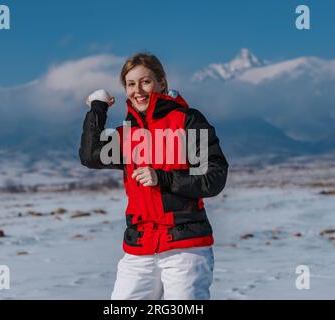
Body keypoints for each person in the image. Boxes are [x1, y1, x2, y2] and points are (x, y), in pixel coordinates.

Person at [79, 52, 228, 300]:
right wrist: (98, 107)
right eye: (130, 84)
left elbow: (214, 177)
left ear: (161, 82)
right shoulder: (127, 134)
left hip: (185, 246)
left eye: (145, 81)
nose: (138, 90)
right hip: (139, 246)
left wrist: (164, 178)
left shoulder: (188, 121)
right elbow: (91, 155)